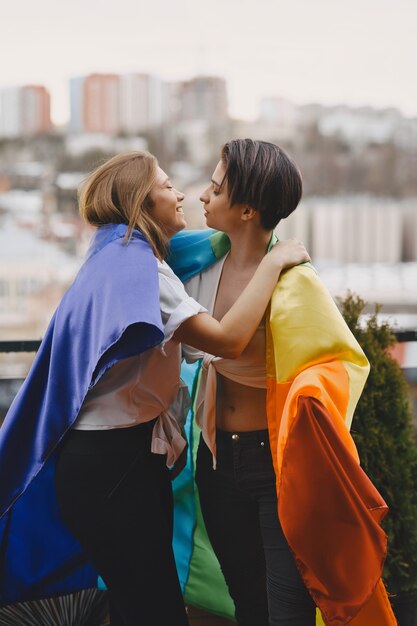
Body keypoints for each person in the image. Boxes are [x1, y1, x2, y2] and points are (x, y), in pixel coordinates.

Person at [0, 151, 309, 626]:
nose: (183, 193)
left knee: (137, 600)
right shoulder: (141, 272)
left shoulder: (115, 256)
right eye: (167, 186)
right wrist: (276, 260)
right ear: (140, 201)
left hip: (107, 460)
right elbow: (226, 342)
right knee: (155, 607)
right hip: (113, 464)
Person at [170, 139, 397, 626]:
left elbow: (334, 360)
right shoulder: (200, 262)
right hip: (215, 459)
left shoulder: (296, 282)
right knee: (246, 604)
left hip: (275, 464)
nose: (202, 197)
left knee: (288, 609)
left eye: (215, 188)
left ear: (248, 209)